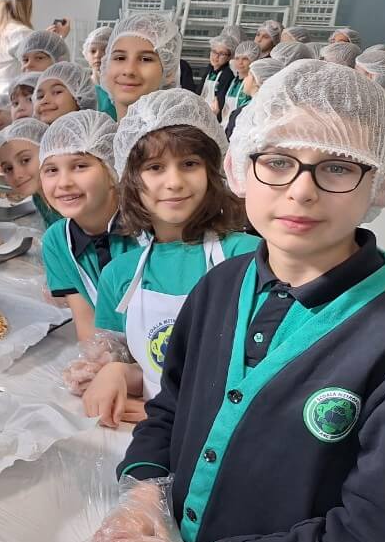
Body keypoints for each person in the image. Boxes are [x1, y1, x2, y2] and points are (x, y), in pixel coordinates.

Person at [86, 60, 385, 542]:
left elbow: (372, 538)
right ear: (242, 167)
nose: (301, 190)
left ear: (384, 181)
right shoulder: (221, 288)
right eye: (277, 161)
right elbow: (170, 408)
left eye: (338, 167)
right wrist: (144, 493)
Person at [84, 88, 258, 429]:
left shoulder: (248, 257)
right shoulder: (119, 274)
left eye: (189, 164)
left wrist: (175, 414)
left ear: (213, 171)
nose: (174, 182)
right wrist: (115, 372)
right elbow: (148, 370)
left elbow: (265, 374)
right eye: (155, 167)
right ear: (130, 181)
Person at [36, 112, 142, 341]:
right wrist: (100, 356)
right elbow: (87, 327)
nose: (64, 183)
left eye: (80, 166)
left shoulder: (146, 230)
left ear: (113, 170)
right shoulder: (57, 241)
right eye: (51, 170)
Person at [101, 12, 182, 121]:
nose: (129, 70)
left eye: (145, 59)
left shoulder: (179, 132)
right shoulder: (94, 129)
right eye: (120, 58)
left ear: (169, 72)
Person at [0, 117, 62, 227]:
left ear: (48, 151)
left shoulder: (70, 200)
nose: (17, 175)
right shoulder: (39, 198)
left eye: (25, 160)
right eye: (8, 168)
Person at [225, 57, 283, 139]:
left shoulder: (242, 113)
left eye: (248, 75)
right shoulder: (279, 110)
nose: (245, 79)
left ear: (257, 80)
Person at [83, 26, 118, 119]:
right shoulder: (82, 88)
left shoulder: (121, 85)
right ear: (86, 54)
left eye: (104, 50)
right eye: (93, 51)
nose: (97, 55)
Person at [222, 41, 261, 123]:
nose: (240, 62)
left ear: (254, 61)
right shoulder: (233, 81)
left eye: (245, 59)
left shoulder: (253, 85)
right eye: (237, 58)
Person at [200, 35, 236, 119]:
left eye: (222, 54)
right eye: (214, 52)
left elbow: (220, 102)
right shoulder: (209, 69)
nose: (216, 56)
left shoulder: (227, 74)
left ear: (229, 57)